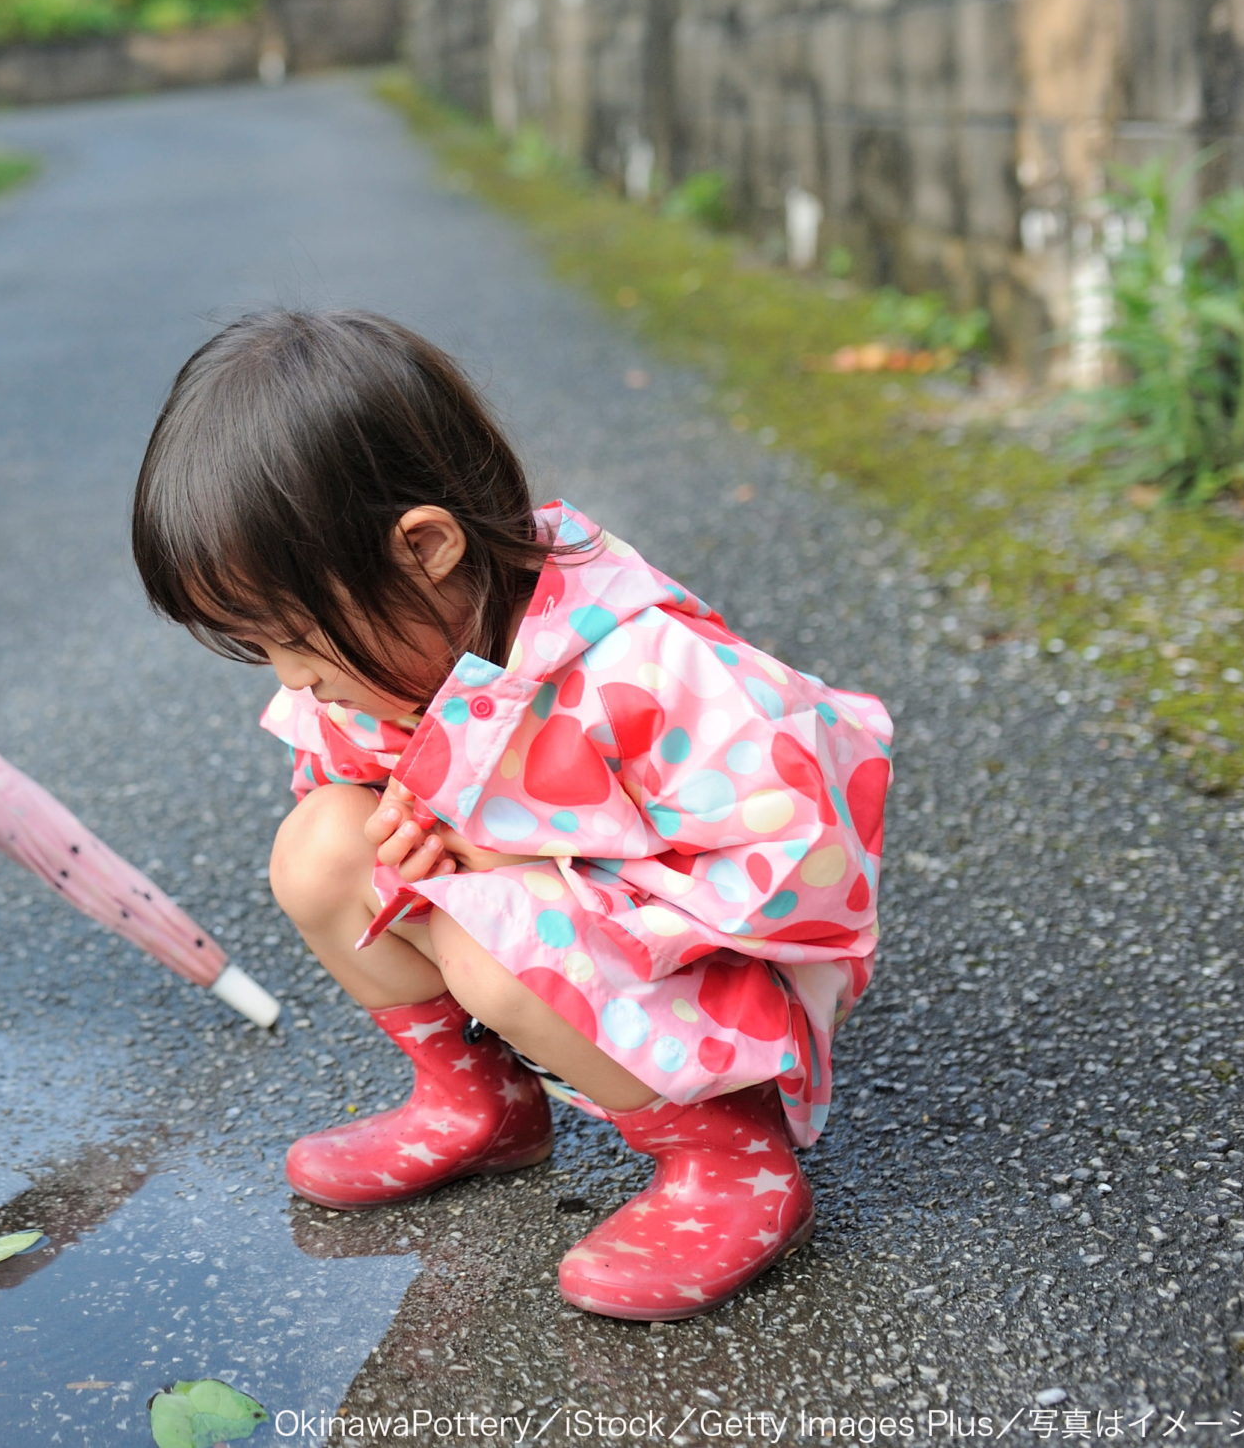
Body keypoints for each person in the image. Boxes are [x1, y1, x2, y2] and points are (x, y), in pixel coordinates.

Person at [129, 309, 889, 1320]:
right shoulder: (380, 671)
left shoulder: (641, 668)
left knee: (494, 943)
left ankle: (730, 1161)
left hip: (723, 979)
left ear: (425, 547)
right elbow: (350, 807)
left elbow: (807, 861)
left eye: (297, 637)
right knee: (318, 848)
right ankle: (477, 1100)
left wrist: (509, 853)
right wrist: (405, 824)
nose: (294, 679)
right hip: (565, 944)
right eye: (258, 648)